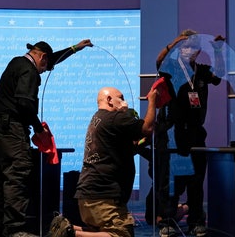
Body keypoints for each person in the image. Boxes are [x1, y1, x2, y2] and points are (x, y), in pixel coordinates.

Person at [0, 39, 93, 237]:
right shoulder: (29, 70)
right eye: (45, 67)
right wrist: (39, 129)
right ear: (41, 57)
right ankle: (14, 230)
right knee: (17, 174)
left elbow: (52, 58)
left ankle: (0, 230)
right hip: (11, 128)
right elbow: (25, 104)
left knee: (0, 178)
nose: (44, 71)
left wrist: (75, 48)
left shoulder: (16, 62)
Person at [48, 86, 157, 237]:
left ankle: (66, 228)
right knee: (122, 234)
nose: (124, 102)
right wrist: (153, 101)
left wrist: (142, 142)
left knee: (100, 232)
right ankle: (71, 233)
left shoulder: (98, 119)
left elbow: (125, 150)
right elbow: (147, 128)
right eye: (121, 97)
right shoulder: (114, 118)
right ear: (109, 100)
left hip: (89, 195)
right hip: (103, 196)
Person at [154, 29, 225, 237]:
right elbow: (158, 62)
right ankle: (166, 221)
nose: (188, 51)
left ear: (198, 51)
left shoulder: (202, 71)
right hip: (173, 132)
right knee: (171, 180)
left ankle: (196, 221)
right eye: (185, 47)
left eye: (193, 48)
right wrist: (174, 42)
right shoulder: (172, 68)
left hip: (195, 133)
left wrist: (218, 51)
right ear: (180, 49)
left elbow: (219, 76)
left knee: (195, 180)